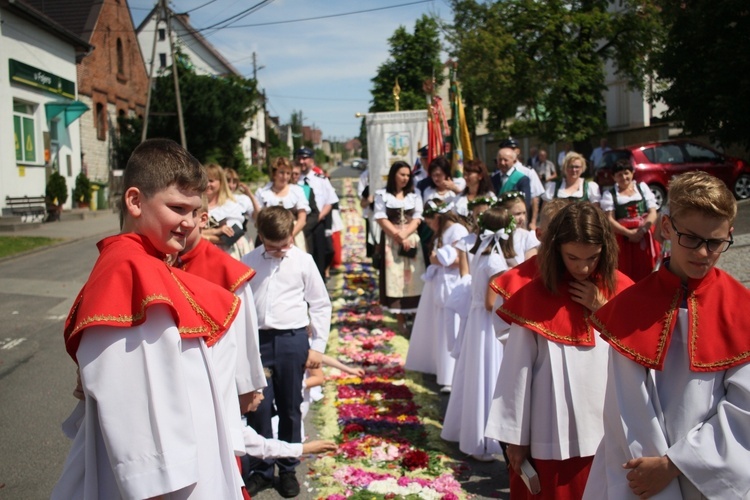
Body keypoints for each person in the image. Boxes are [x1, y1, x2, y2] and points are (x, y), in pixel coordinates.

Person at [52, 138, 246, 499]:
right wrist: (156, 486)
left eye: (194, 211)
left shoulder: (150, 264)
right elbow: (137, 416)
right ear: (135, 201)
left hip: (192, 465)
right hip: (173, 485)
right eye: (177, 208)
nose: (188, 222)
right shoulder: (130, 273)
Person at [584, 171, 750, 500]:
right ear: (666, 228)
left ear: (729, 234)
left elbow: (744, 410)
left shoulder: (741, 309)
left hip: (707, 478)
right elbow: (629, 409)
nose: (703, 253)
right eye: (691, 238)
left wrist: (675, 464)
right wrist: (657, 475)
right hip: (641, 475)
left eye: (715, 242)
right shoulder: (630, 308)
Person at [485, 202, 633, 500]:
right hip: (551, 430)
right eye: (572, 257)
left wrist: (603, 309)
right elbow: (517, 371)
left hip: (611, 426)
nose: (582, 267)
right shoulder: (533, 296)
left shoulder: (622, 289)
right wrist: (516, 438)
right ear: (556, 251)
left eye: (592, 258)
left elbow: (638, 353)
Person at [240, 206, 331, 498]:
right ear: (260, 237)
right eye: (272, 246)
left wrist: (317, 346)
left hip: (293, 340)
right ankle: (261, 470)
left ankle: (288, 468)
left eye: (285, 245)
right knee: (260, 408)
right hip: (260, 343)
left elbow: (320, 304)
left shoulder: (303, 261)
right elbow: (239, 304)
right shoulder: (248, 262)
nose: (280, 252)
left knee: (291, 406)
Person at [441, 206, 514, 462]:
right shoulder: (495, 260)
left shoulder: (481, 254)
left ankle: (470, 433)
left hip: (476, 324)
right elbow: (490, 302)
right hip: (487, 325)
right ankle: (483, 440)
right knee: (488, 377)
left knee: (473, 376)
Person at [373, 161, 426, 333]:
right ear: (394, 175)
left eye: (407, 175)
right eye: (401, 174)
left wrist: (405, 234)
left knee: (415, 277)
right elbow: (381, 218)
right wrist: (397, 235)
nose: (405, 178)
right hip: (391, 242)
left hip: (411, 240)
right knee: (395, 278)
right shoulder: (382, 194)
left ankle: (417, 319)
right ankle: (400, 320)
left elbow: (417, 218)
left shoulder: (415, 194)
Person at [600, 159, 660, 282]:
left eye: (626, 173)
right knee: (625, 268)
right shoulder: (609, 194)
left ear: (632, 173)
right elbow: (609, 219)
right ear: (613, 177)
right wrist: (629, 233)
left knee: (646, 266)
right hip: (622, 238)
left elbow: (653, 212)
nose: (624, 177)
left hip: (644, 235)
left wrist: (642, 230)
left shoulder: (642, 188)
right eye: (619, 175)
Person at [296, 147, 338, 279]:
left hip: (318, 221)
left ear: (311, 161)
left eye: (305, 158)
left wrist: (318, 218)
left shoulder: (320, 179)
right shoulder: (294, 179)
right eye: (300, 158)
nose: (302, 161)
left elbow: (330, 201)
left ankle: (320, 280)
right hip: (299, 223)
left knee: (323, 252)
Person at [255, 157, 310, 251]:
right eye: (281, 172)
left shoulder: (297, 191)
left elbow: (302, 219)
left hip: (293, 236)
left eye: (288, 173)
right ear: (274, 173)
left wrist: (289, 237)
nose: (285, 177)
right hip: (268, 238)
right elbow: (258, 219)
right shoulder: (263, 193)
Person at [203, 163, 252, 260]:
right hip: (202, 254)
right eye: (205, 180)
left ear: (221, 182)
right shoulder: (195, 205)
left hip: (227, 254)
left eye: (211, 181)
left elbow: (232, 236)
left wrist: (202, 236)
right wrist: (216, 231)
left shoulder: (230, 205)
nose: (207, 184)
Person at [453, 158, 497, 228]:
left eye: (469, 174)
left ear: (480, 176)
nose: (465, 177)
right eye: (465, 174)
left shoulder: (490, 197)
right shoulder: (459, 198)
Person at [225, 167, 260, 232]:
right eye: (228, 181)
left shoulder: (241, 199)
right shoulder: (213, 200)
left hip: (239, 237)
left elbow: (258, 217)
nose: (231, 185)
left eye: (234, 182)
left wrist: (250, 195)